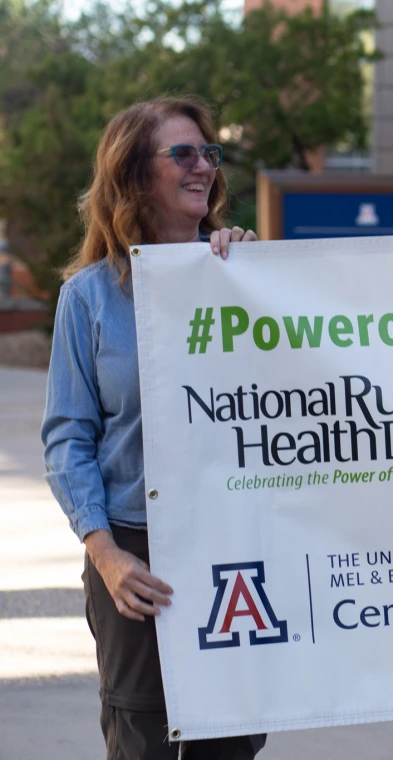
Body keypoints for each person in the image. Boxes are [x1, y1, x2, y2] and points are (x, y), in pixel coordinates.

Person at [41, 97, 262, 760]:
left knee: (232, 739)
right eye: (184, 154)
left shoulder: (242, 276)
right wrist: (106, 557)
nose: (204, 167)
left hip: (233, 545)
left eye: (209, 153)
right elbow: (68, 438)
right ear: (135, 175)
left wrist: (260, 277)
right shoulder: (89, 298)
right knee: (142, 740)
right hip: (137, 552)